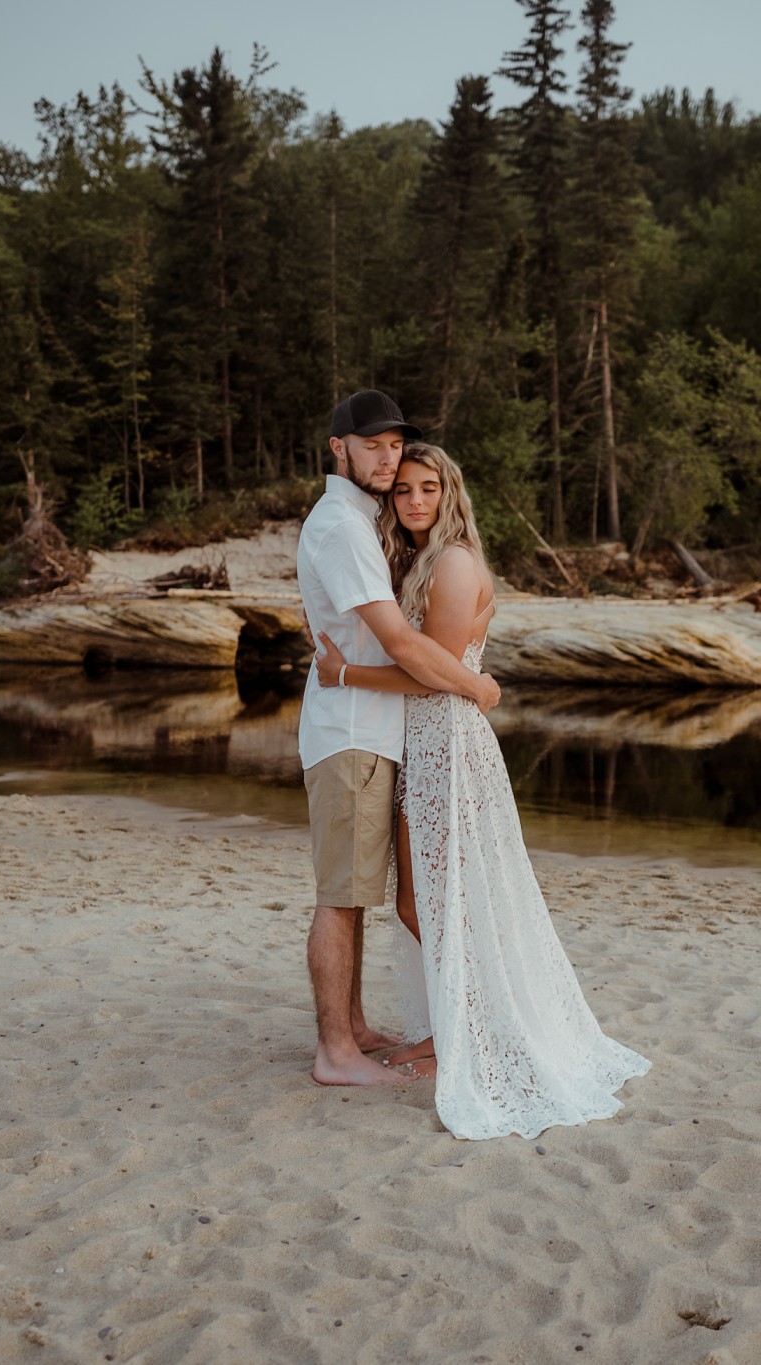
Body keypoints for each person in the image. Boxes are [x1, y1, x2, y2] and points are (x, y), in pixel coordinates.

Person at [313, 443, 650, 1139]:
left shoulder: (456, 562)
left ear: (449, 493)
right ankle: (455, 1020)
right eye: (402, 490)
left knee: (436, 897)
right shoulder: (411, 560)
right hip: (420, 744)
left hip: (449, 745)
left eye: (427, 488)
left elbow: (428, 672)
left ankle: (468, 1029)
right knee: (420, 898)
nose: (413, 501)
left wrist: (345, 677)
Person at [296, 392, 503, 1088]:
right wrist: (475, 686)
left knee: (388, 896)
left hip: (403, 736)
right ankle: (340, 1049)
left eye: (399, 450)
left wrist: (461, 685)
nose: (389, 463)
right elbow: (401, 644)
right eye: (375, 447)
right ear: (338, 448)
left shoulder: (391, 538)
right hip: (356, 731)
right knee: (347, 894)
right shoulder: (345, 526)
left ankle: (359, 1030)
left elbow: (417, 649)